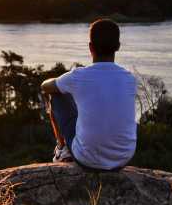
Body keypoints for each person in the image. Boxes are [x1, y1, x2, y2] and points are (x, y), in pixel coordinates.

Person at [41, 19, 137, 170]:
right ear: (118, 47)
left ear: (90, 47)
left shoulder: (79, 76)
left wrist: (58, 81)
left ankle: (62, 150)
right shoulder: (129, 78)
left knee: (57, 96)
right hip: (123, 158)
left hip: (87, 159)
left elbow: (45, 87)